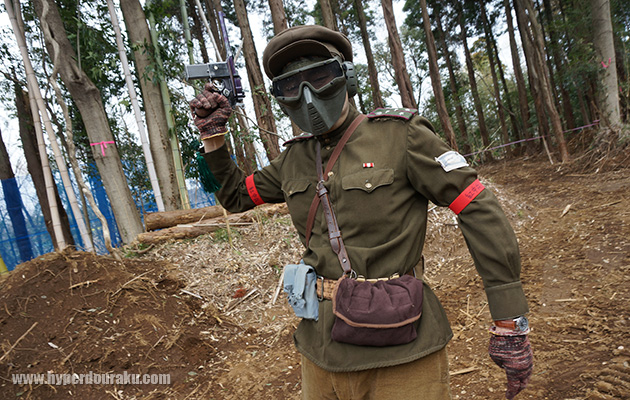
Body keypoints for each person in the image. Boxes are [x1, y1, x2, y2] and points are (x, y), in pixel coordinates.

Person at [190, 25, 533, 400]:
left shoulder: (400, 136)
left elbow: (476, 206)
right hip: (320, 352)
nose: (308, 96)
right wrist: (213, 137)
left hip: (402, 348)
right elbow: (236, 196)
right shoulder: (294, 159)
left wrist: (509, 321)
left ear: (346, 78)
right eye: (291, 86)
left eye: (320, 77)